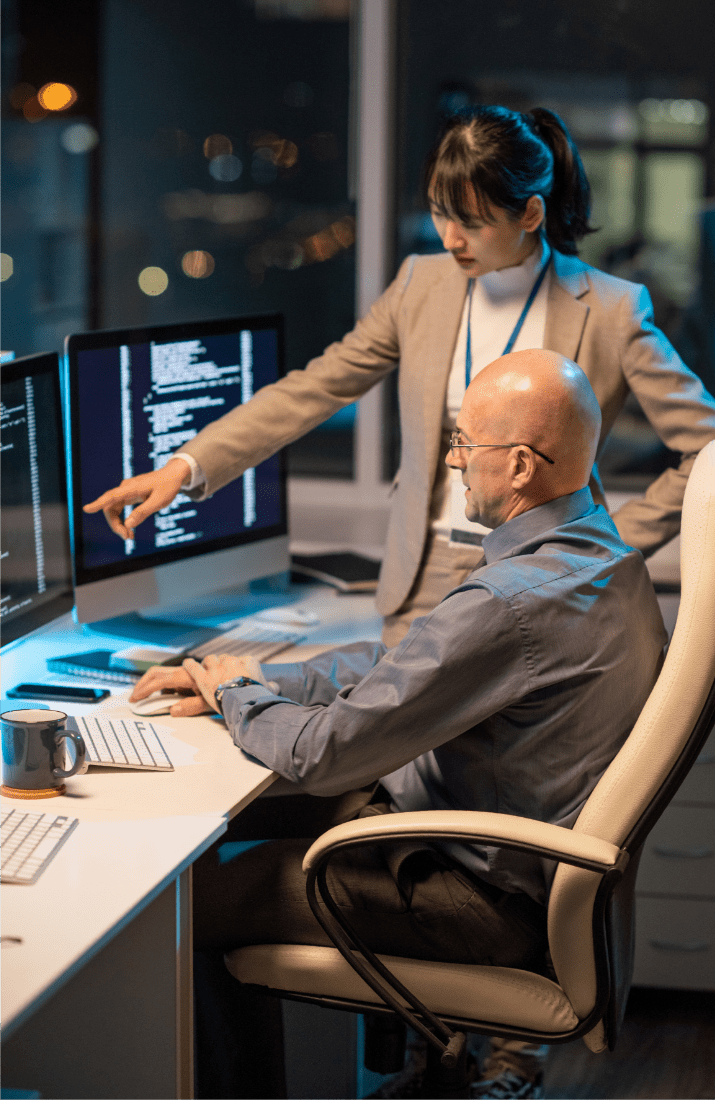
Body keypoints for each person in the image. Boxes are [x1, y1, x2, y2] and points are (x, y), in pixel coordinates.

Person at [131, 351, 668, 1100]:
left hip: (476, 902)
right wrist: (254, 681)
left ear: (516, 466)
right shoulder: (602, 558)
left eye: (462, 443)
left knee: (186, 907)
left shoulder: (509, 601)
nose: (451, 460)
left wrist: (236, 700)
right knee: (220, 827)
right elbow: (407, 665)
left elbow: (322, 755)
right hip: (492, 856)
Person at [84, 104, 715, 648]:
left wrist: (607, 539)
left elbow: (706, 447)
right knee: (395, 773)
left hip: (545, 575)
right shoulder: (422, 284)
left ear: (529, 214)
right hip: (423, 580)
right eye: (441, 215)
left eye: (471, 223)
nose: (451, 239)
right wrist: (182, 468)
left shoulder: (609, 307)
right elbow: (314, 387)